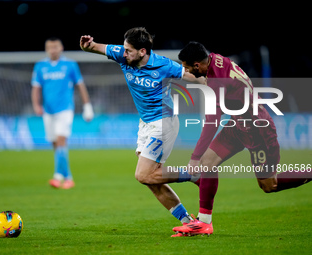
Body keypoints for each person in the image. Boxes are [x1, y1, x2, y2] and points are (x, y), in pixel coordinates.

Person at [171, 41, 312, 236]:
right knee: (207, 164)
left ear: (197, 65)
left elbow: (212, 121)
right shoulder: (215, 61)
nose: (185, 70)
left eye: (186, 66)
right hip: (238, 124)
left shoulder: (217, 81)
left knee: (268, 185)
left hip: (257, 129)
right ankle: (204, 223)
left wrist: (195, 155)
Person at [80, 28, 204, 230]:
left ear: (143, 51)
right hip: (145, 123)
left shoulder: (163, 65)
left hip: (164, 122)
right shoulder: (123, 55)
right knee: (151, 179)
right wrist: (87, 46)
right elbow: (94, 47)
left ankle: (196, 175)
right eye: (124, 48)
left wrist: (220, 84)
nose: (124, 53)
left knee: (143, 175)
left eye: (129, 50)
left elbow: (194, 77)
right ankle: (189, 223)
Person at [31, 37, 94, 189]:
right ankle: (68, 178)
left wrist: (87, 106)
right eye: (50, 48)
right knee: (55, 144)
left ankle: (57, 176)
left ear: (61, 48)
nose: (53, 50)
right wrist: (36, 105)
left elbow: (80, 85)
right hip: (48, 111)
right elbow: (36, 88)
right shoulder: (40, 66)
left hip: (65, 109)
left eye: (55, 47)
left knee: (61, 140)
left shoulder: (70, 65)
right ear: (46, 49)